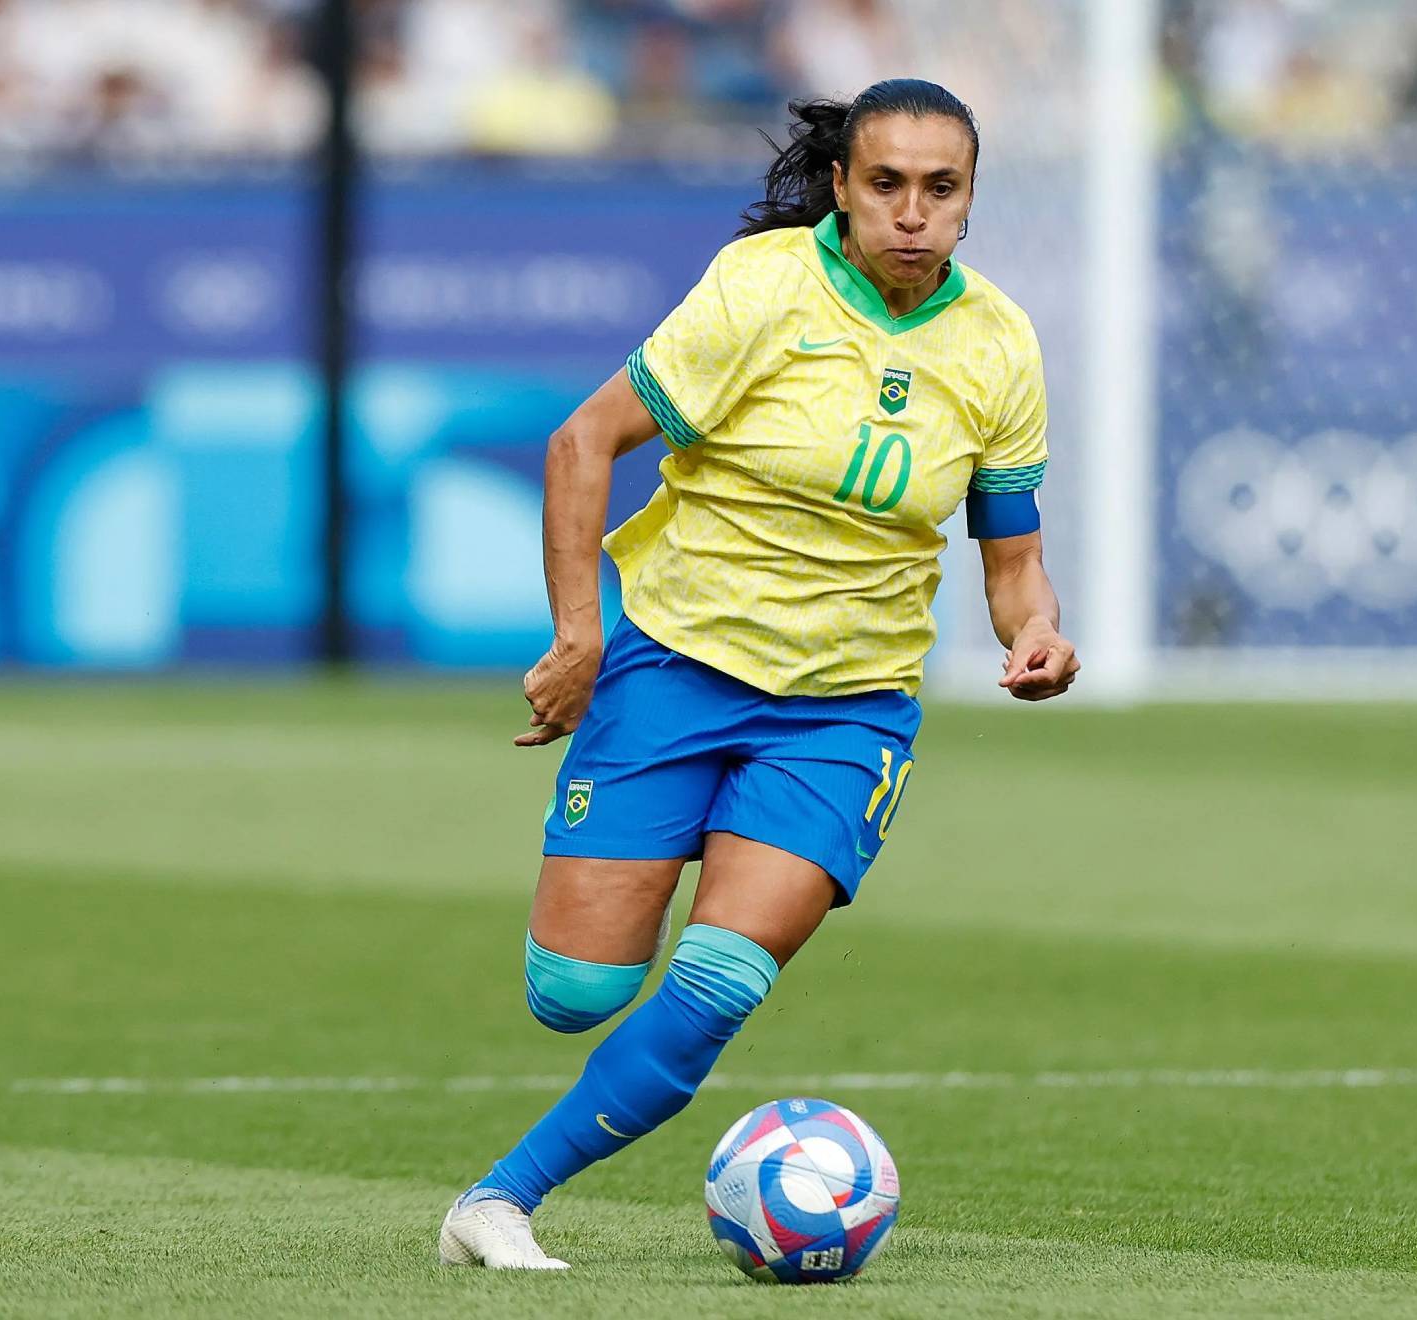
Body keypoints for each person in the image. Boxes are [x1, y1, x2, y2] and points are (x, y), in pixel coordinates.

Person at [439, 77, 1080, 1271]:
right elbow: (583, 443)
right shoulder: (763, 289)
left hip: (844, 713)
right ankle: (669, 826)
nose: (911, 212)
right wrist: (580, 639)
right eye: (885, 184)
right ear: (840, 185)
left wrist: (1033, 632)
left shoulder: (999, 341)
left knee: (723, 976)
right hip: (675, 668)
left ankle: (497, 1202)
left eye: (941, 190)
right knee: (573, 992)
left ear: (971, 202)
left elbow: (1015, 560)